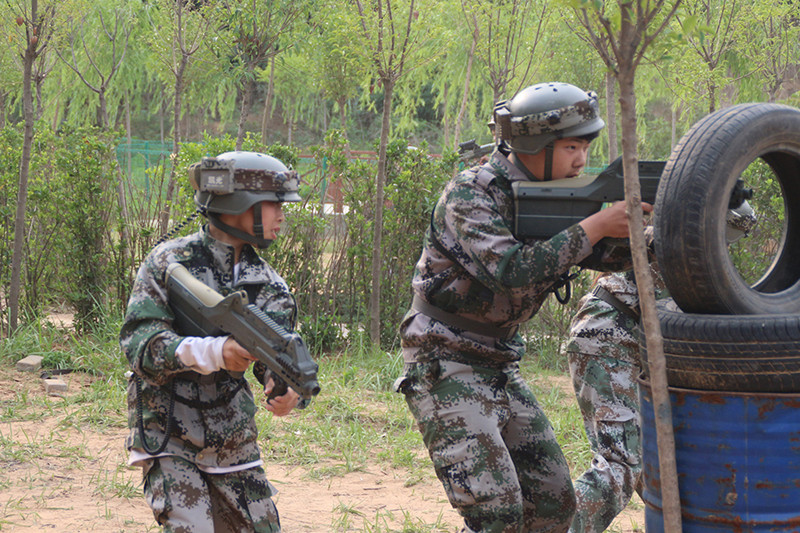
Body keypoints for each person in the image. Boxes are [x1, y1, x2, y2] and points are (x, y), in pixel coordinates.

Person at [394, 82, 652, 533]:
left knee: (554, 504)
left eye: (586, 146)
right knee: (496, 511)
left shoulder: (555, 194)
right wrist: (594, 225)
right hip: (444, 358)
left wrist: (658, 232)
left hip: (498, 363)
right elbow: (511, 269)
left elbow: (604, 255)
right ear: (533, 144)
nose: (581, 159)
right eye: (572, 146)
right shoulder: (470, 193)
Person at [121, 150, 303, 532]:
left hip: (232, 437)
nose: (282, 215)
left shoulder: (271, 286)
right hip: (167, 430)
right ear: (240, 204)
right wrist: (216, 352)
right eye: (274, 204)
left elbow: (273, 358)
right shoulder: (169, 262)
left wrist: (283, 388)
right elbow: (141, 346)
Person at [565, 202, 757, 533]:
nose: (726, 245)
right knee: (621, 464)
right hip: (609, 339)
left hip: (627, 342)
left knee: (658, 464)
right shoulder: (668, 244)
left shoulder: (692, 254)